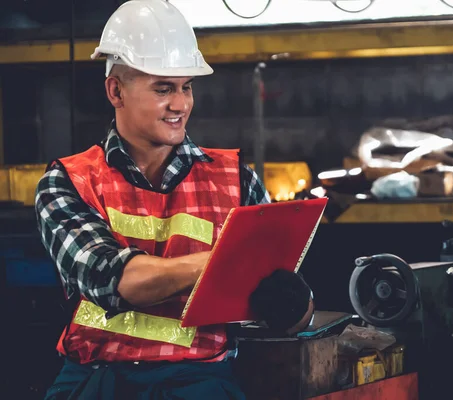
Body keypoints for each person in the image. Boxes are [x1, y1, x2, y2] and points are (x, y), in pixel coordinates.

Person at [34, 1, 314, 399]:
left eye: (186, 87)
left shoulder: (237, 181)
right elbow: (112, 277)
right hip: (96, 380)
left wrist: (294, 305)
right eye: (163, 88)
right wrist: (225, 260)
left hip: (198, 382)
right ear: (116, 91)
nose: (180, 105)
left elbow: (287, 312)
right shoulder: (70, 181)